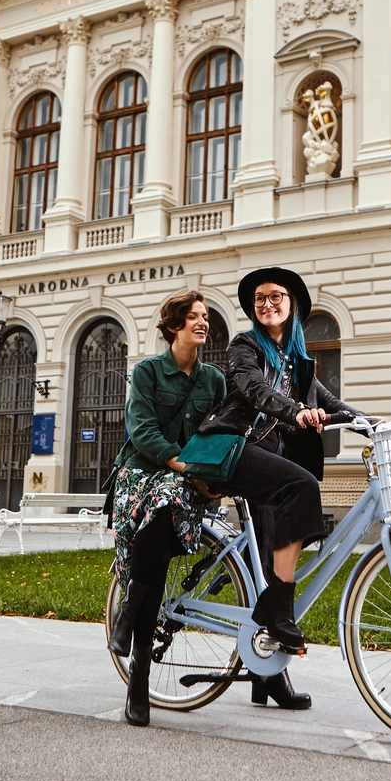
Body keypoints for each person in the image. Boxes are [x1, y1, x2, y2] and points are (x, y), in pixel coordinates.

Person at [204, 267, 359, 711]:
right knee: (303, 488)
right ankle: (277, 612)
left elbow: (328, 402)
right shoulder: (244, 346)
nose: (267, 304)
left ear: (293, 305)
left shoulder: (296, 359)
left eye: (276, 297)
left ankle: (267, 673)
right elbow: (253, 390)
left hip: (274, 459)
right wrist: (295, 412)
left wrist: (370, 422)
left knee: (279, 546)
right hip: (237, 448)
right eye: (259, 299)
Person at [105, 290, 226, 727]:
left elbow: (219, 432)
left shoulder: (214, 380)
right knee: (158, 529)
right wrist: (184, 465)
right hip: (140, 475)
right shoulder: (147, 371)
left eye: (206, 317)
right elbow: (141, 430)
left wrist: (210, 477)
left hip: (183, 485)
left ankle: (129, 620)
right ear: (174, 326)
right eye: (193, 316)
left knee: (161, 526)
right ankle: (138, 676)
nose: (203, 322)